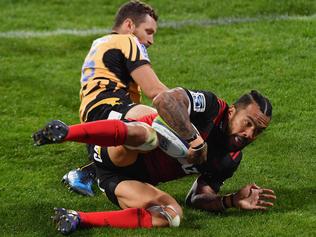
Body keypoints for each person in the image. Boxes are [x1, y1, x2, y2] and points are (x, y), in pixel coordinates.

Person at [33, 87, 276, 234]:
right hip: (117, 149)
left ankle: (76, 218)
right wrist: (195, 140)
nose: (249, 134)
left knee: (173, 215)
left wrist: (230, 201)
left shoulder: (230, 159)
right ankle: (66, 132)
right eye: (248, 123)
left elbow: (198, 197)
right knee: (147, 136)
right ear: (232, 111)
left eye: (258, 131)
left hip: (123, 180)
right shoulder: (211, 106)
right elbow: (163, 100)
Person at [63, 0, 169, 196]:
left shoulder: (100, 42)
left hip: (96, 122)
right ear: (129, 25)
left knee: (148, 144)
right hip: (109, 109)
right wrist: (188, 111)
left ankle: (92, 172)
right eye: (148, 31)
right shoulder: (128, 40)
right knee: (161, 122)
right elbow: (154, 90)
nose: (151, 41)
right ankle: (93, 173)